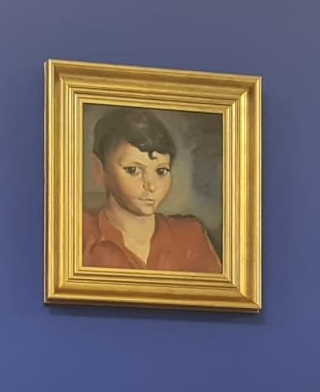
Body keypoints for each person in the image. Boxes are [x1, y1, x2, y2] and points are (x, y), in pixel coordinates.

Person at [82, 108, 224, 273]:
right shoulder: (80, 233)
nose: (151, 185)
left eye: (161, 171)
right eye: (133, 170)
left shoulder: (190, 235)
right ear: (99, 170)